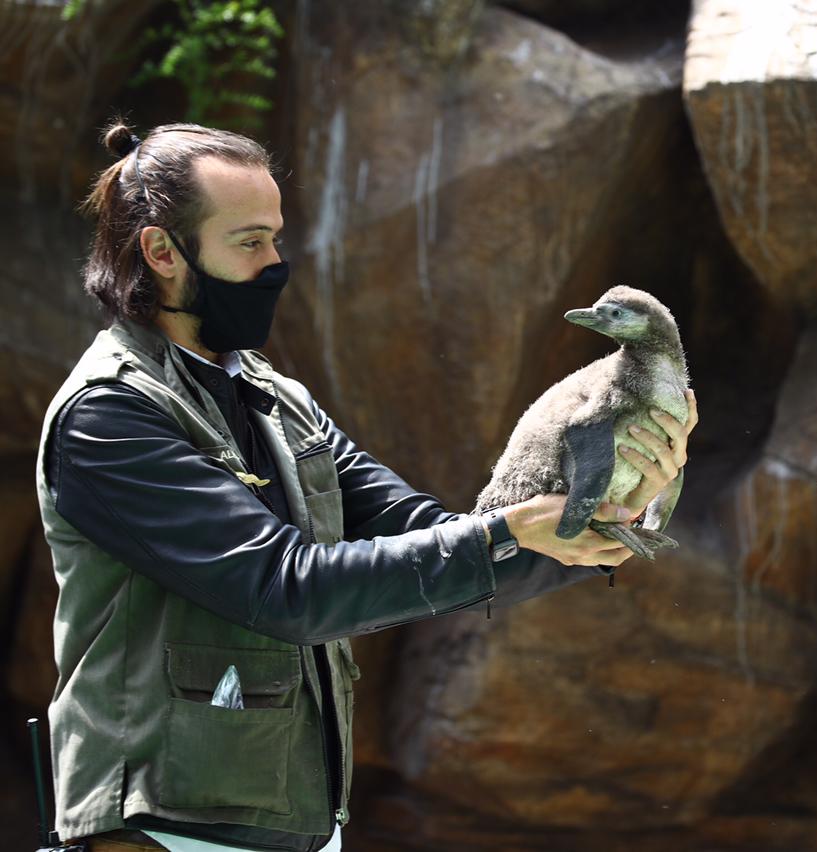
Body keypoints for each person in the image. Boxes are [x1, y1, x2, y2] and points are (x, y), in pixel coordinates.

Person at [34, 122, 697, 852]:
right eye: (250, 242)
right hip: (162, 827)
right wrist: (507, 533)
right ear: (162, 252)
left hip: (299, 823)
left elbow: (427, 536)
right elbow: (285, 589)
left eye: (277, 238)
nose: (276, 264)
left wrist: (608, 512)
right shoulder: (108, 416)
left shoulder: (276, 397)